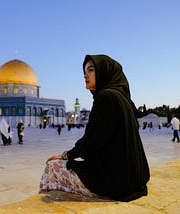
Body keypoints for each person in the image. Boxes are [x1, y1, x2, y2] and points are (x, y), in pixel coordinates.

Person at [39, 54, 150, 202]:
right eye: (84, 72)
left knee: (52, 167)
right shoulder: (122, 98)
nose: (85, 75)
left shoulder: (106, 97)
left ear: (104, 71)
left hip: (117, 184)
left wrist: (66, 155)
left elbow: (91, 141)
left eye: (91, 70)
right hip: (135, 179)